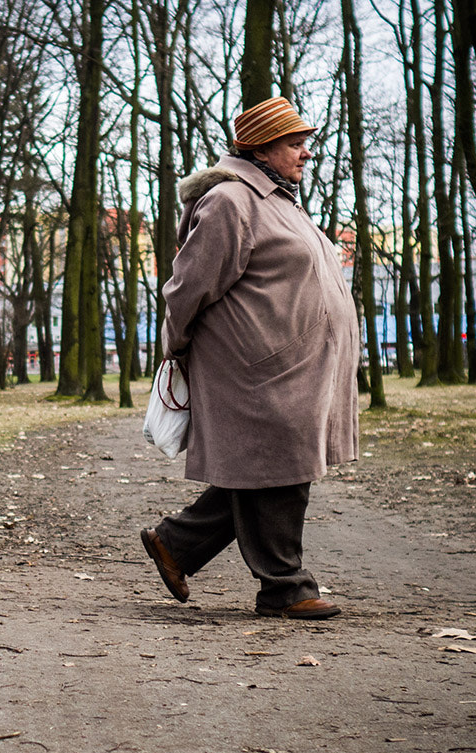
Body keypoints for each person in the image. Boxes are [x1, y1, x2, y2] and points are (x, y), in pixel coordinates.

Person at [140, 96, 359, 620]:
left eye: (306, 142)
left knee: (267, 468)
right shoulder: (230, 203)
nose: (306, 153)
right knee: (281, 466)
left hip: (293, 368)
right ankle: (286, 588)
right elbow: (186, 288)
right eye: (294, 143)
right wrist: (176, 346)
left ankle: (177, 544)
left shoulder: (280, 200)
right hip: (255, 366)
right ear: (260, 147)